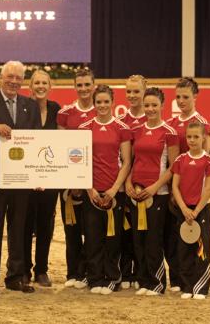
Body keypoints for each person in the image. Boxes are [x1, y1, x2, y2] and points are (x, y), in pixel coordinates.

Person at [0, 61, 41, 296]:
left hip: (22, 179)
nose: (13, 81)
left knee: (20, 229)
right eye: (9, 76)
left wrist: (38, 174)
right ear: (1, 78)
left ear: (23, 81)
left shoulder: (30, 106)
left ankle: (16, 276)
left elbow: (37, 141)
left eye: (18, 78)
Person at [78, 85, 132, 295]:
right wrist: (89, 189)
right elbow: (79, 161)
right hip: (91, 191)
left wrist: (114, 189)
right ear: (94, 103)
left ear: (112, 103)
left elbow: (126, 162)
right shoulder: (84, 127)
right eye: (98, 102)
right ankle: (95, 277)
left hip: (114, 193)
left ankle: (111, 277)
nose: (102, 105)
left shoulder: (121, 128)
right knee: (92, 237)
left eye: (105, 102)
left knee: (112, 237)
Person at [125, 87, 179, 296]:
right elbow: (133, 161)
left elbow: (174, 166)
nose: (150, 109)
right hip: (136, 194)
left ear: (162, 106)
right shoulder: (136, 130)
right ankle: (144, 280)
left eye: (154, 105)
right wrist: (129, 183)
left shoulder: (169, 132)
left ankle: (157, 283)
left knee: (154, 240)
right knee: (138, 239)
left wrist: (155, 187)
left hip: (158, 195)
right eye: (147, 105)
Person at [165, 77, 210, 292]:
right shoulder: (172, 124)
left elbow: (205, 160)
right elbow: (171, 160)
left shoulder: (202, 123)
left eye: (185, 97)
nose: (181, 101)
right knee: (175, 236)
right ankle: (177, 279)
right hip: (175, 188)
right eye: (178, 97)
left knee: (195, 234)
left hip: (193, 193)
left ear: (195, 96)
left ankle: (197, 278)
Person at [56, 69, 96, 288]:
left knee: (91, 229)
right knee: (71, 228)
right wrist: (72, 180)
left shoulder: (100, 112)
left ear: (94, 85)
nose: (83, 89)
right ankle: (73, 272)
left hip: (94, 182)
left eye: (87, 84)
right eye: (79, 85)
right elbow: (62, 148)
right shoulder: (65, 113)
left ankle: (90, 271)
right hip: (69, 182)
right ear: (74, 87)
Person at [171, 123, 210, 300]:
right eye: (189, 137)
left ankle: (200, 288)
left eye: (196, 137)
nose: (192, 140)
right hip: (183, 211)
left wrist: (196, 210)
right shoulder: (180, 159)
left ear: (203, 137)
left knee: (201, 248)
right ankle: (187, 286)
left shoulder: (208, 160)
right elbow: (175, 186)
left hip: (201, 211)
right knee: (183, 249)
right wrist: (183, 208)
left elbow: (209, 189)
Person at [23, 70, 61, 287]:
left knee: (46, 224)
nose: (40, 86)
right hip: (27, 177)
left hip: (50, 178)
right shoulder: (23, 107)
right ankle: (25, 269)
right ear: (31, 85)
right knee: (26, 224)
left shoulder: (57, 109)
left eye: (44, 82)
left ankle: (41, 270)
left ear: (50, 85)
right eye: (36, 82)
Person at [116, 75, 148, 289]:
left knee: (143, 230)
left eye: (136, 91)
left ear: (144, 91)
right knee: (125, 228)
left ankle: (142, 271)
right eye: (129, 91)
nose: (132, 95)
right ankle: (126, 271)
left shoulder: (152, 119)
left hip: (145, 184)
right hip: (124, 184)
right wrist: (126, 181)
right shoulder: (121, 121)